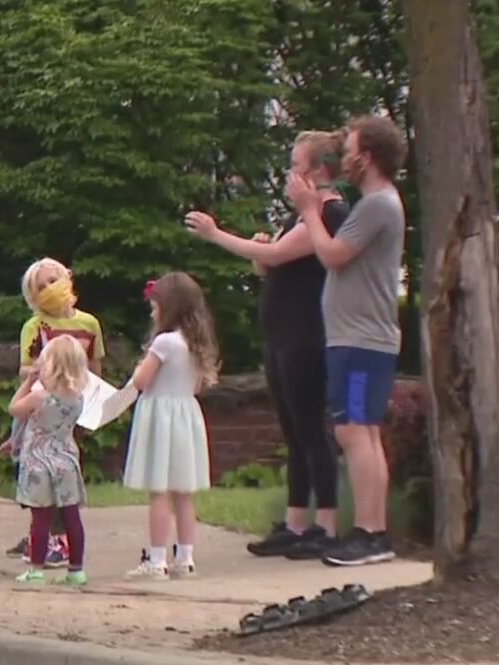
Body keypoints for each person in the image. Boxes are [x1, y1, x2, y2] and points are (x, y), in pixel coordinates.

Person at [184, 131, 351, 560]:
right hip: (281, 335)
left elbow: (281, 256)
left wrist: (216, 234)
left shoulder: (329, 213)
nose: (291, 176)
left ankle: (327, 525)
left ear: (318, 171)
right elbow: (270, 263)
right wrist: (260, 250)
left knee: (312, 430)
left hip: (306, 335)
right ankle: (296, 522)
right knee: (293, 432)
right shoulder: (301, 217)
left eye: (297, 166)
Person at [286, 115, 408, 567]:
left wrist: (308, 211)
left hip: (360, 341)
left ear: (368, 157)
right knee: (363, 432)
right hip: (358, 339)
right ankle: (373, 530)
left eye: (351, 149)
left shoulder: (378, 204)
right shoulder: (377, 203)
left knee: (354, 430)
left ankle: (370, 533)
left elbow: (334, 255)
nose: (345, 158)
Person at [3, 257, 107, 565]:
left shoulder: (88, 324)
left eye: (53, 280)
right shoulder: (34, 327)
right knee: (31, 467)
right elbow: (24, 368)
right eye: (40, 287)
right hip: (40, 405)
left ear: (68, 279)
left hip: (72, 408)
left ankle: (57, 539)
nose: (49, 289)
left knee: (64, 471)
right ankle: (42, 534)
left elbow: (95, 367)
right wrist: (41, 372)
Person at [122, 272, 220, 580]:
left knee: (159, 492)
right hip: (186, 417)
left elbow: (141, 381)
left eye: (156, 304)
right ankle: (185, 558)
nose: (152, 310)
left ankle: (156, 559)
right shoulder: (195, 344)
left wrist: (138, 367)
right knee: (183, 493)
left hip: (160, 417)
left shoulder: (164, 343)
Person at [9, 335, 90, 587]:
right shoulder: (77, 398)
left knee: (41, 518)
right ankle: (76, 570)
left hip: (38, 463)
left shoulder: (39, 397)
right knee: (71, 516)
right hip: (66, 460)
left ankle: (36, 569)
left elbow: (14, 408)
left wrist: (28, 382)